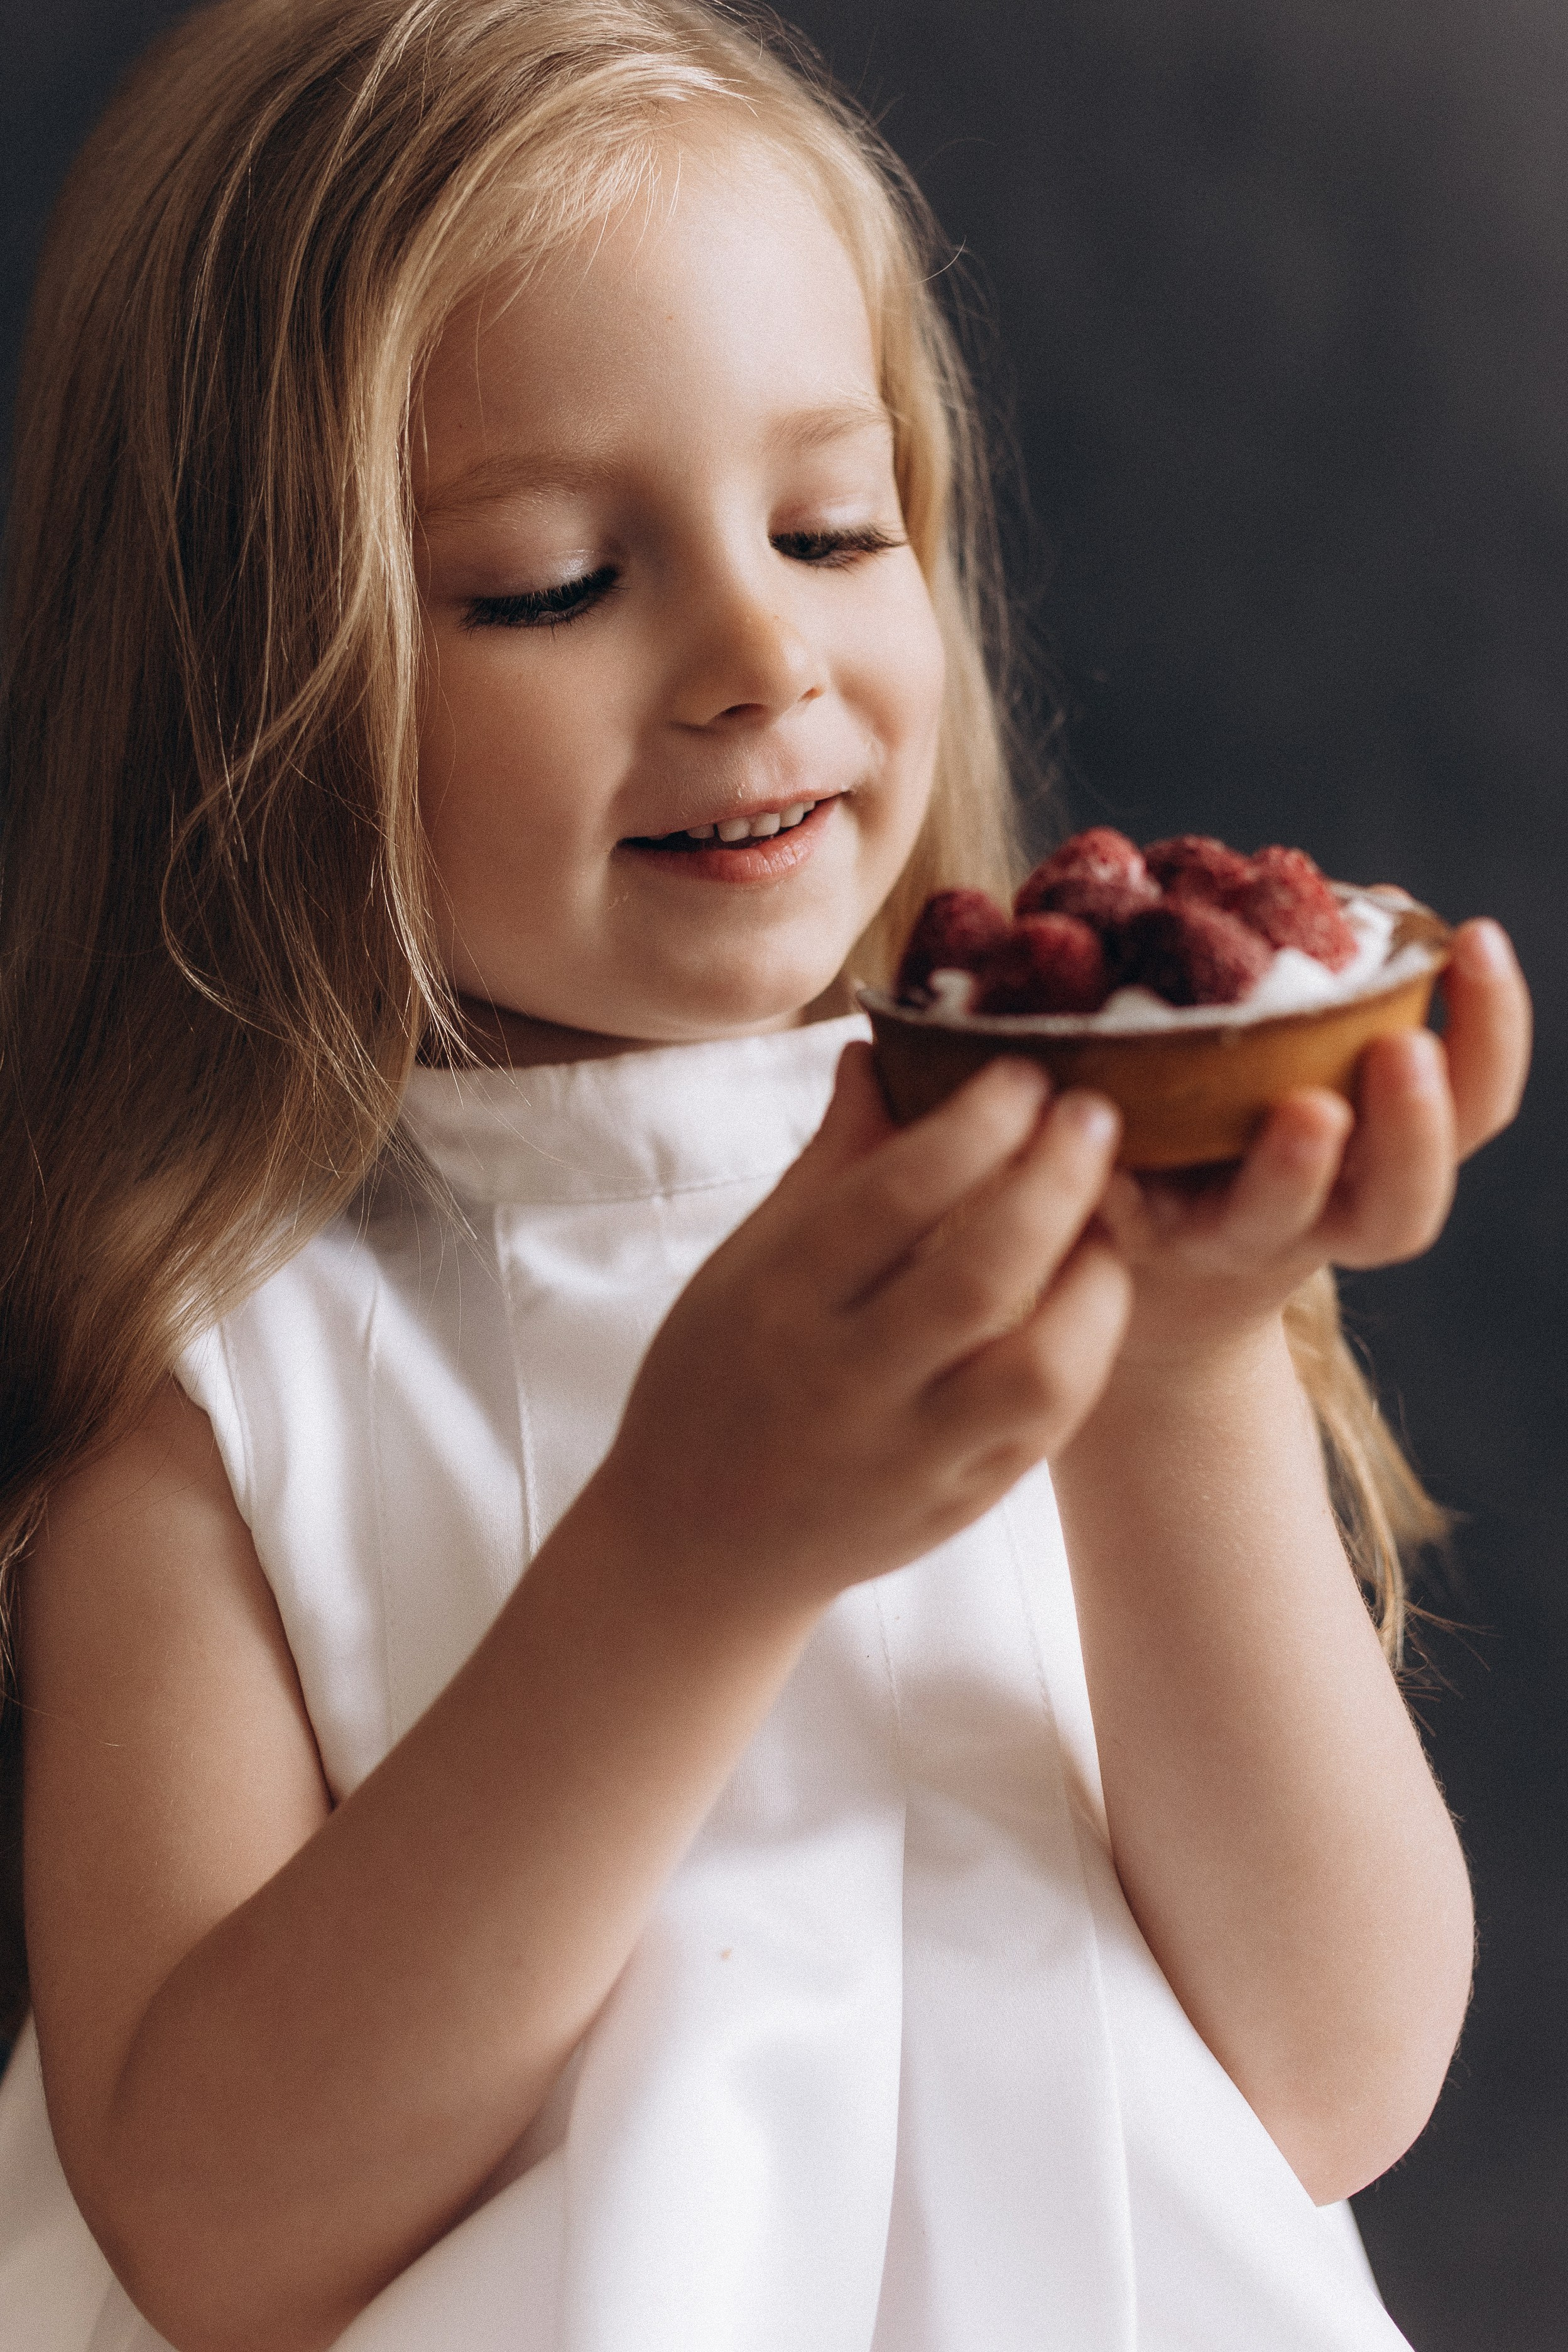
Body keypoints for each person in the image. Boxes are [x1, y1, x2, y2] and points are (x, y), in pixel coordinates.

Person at [0, 3, 1532, 2348]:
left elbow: (1327, 2076)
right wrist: (690, 1556)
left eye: (835, 525)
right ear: (250, 685)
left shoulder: (1071, 1252)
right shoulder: (230, 1392)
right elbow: (217, 2230)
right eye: (542, 581)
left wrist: (1192, 1357)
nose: (759, 649)